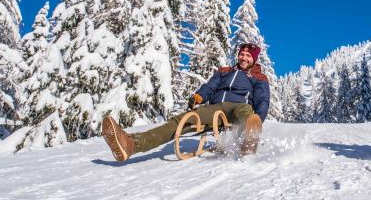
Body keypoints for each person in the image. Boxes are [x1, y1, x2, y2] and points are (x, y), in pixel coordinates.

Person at [102, 43, 270, 161]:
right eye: (242, 54)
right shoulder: (224, 71)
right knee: (181, 121)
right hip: (215, 108)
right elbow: (209, 88)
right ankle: (131, 144)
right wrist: (199, 97)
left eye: (248, 56)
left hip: (239, 107)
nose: (244, 58)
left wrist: (258, 119)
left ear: (254, 59)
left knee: (246, 114)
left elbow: (262, 100)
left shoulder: (258, 77)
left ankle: (250, 139)